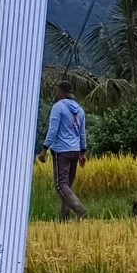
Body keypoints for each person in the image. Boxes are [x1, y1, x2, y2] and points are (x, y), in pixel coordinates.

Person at [37, 81, 88, 220]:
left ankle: (80, 209)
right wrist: (83, 152)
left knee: (60, 186)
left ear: (62, 92)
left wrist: (44, 149)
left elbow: (53, 130)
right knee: (67, 187)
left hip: (62, 151)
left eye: (57, 90)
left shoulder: (58, 107)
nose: (56, 93)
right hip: (75, 150)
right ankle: (64, 219)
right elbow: (82, 133)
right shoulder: (80, 109)